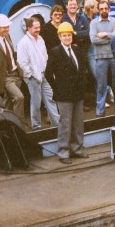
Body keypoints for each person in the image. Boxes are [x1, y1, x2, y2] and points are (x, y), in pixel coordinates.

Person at [45, 22, 88, 164]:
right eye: (64, 35)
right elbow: (48, 74)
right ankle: (64, 153)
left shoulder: (77, 50)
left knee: (78, 123)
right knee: (65, 124)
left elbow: (82, 69)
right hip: (64, 95)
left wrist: (82, 85)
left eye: (69, 35)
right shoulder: (55, 52)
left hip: (77, 93)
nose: (67, 38)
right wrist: (57, 88)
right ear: (59, 37)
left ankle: (77, 149)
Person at [17, 17, 60, 130]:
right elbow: (22, 63)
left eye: (39, 27)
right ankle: (36, 126)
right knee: (36, 102)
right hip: (32, 77)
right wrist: (31, 75)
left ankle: (57, 123)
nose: (38, 30)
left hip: (44, 74)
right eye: (35, 28)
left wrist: (48, 71)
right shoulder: (23, 43)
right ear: (29, 28)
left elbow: (45, 55)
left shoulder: (40, 39)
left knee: (50, 98)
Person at [89, 0, 115, 117]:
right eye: (101, 9)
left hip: (114, 57)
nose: (104, 11)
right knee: (101, 85)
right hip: (100, 57)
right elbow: (93, 40)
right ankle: (100, 112)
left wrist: (105, 34)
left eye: (106, 8)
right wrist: (110, 38)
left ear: (109, 9)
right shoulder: (94, 23)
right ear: (98, 10)